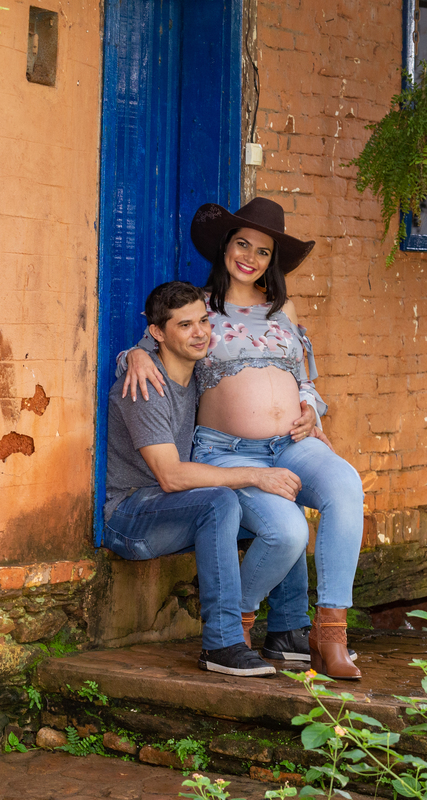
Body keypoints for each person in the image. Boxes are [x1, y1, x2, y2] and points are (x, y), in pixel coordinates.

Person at [121, 198, 364, 680]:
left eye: (263, 251)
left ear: (272, 261)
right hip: (228, 451)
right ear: (226, 247)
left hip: (294, 443)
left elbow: (308, 380)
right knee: (289, 532)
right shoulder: (201, 308)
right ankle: (242, 618)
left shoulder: (284, 309)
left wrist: (310, 407)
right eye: (242, 244)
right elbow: (158, 342)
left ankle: (330, 632)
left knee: (346, 486)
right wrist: (134, 354)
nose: (250, 257)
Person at [104, 280, 322, 677]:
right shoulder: (145, 388)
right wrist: (257, 473)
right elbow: (169, 477)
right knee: (222, 499)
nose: (200, 332)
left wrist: (308, 411)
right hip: (131, 518)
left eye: (203, 320)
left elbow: (281, 365)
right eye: (184, 325)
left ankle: (288, 629)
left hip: (177, 507)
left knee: (276, 504)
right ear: (158, 334)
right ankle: (222, 643)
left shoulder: (199, 373)